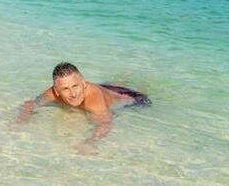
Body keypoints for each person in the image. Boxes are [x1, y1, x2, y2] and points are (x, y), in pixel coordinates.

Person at [16, 62, 150, 154]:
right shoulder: (51, 93)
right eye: (65, 89)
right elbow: (30, 104)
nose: (73, 94)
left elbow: (105, 122)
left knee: (139, 96)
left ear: (83, 83)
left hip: (130, 98)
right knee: (113, 85)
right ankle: (125, 77)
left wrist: (90, 142)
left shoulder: (94, 99)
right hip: (105, 88)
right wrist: (21, 121)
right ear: (56, 91)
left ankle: (134, 75)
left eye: (75, 86)